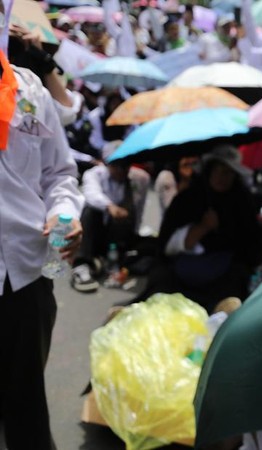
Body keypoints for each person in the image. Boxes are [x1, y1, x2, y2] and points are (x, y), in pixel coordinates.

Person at [0, 45, 84, 449]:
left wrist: (64, 212)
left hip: (26, 276)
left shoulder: (28, 87)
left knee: (26, 408)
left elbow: (60, 174)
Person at [130, 145, 262, 312]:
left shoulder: (242, 201)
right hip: (183, 271)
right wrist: (203, 227)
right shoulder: (186, 199)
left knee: (235, 288)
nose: (222, 177)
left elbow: (250, 244)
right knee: (160, 282)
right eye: (218, 170)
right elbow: (167, 245)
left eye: (229, 172)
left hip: (223, 273)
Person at [71, 145, 150, 292]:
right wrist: (109, 206)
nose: (122, 170)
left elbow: (139, 210)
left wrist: (135, 231)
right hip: (96, 230)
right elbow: (91, 194)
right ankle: (82, 265)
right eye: (118, 165)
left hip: (118, 235)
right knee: (90, 211)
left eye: (126, 165)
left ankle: (112, 259)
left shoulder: (138, 178)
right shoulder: (94, 174)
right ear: (108, 164)